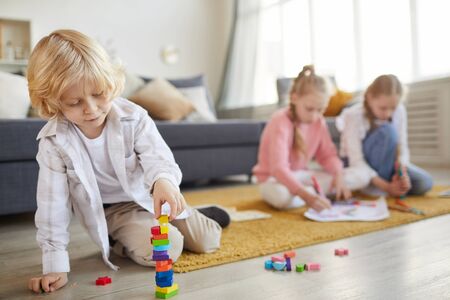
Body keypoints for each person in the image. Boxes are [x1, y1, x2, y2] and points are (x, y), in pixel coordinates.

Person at [26, 29, 227, 294]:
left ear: (110, 83)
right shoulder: (53, 142)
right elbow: (52, 206)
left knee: (208, 239)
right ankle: (115, 240)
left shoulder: (134, 117)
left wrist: (163, 182)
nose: (91, 108)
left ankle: (199, 212)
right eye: (75, 102)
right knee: (169, 248)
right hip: (115, 211)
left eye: (98, 94)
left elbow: (158, 156)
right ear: (53, 103)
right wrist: (55, 265)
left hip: (153, 195)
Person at [253, 65, 352, 212]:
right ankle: (311, 194)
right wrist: (306, 195)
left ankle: (309, 194)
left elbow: (327, 155)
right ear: (294, 98)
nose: (314, 116)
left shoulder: (319, 121)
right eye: (309, 109)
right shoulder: (280, 121)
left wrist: (338, 175)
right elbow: (278, 169)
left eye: (321, 110)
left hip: (299, 175)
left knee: (347, 178)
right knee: (281, 196)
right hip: (272, 179)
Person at [336, 74, 433, 197]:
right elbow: (356, 161)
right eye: (383, 108)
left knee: (424, 182)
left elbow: (402, 145)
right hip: (358, 165)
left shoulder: (400, 110)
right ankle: (378, 186)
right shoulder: (353, 115)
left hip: (388, 162)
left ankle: (389, 184)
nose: (388, 114)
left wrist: (401, 171)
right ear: (370, 98)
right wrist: (386, 187)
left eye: (393, 108)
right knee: (387, 131)